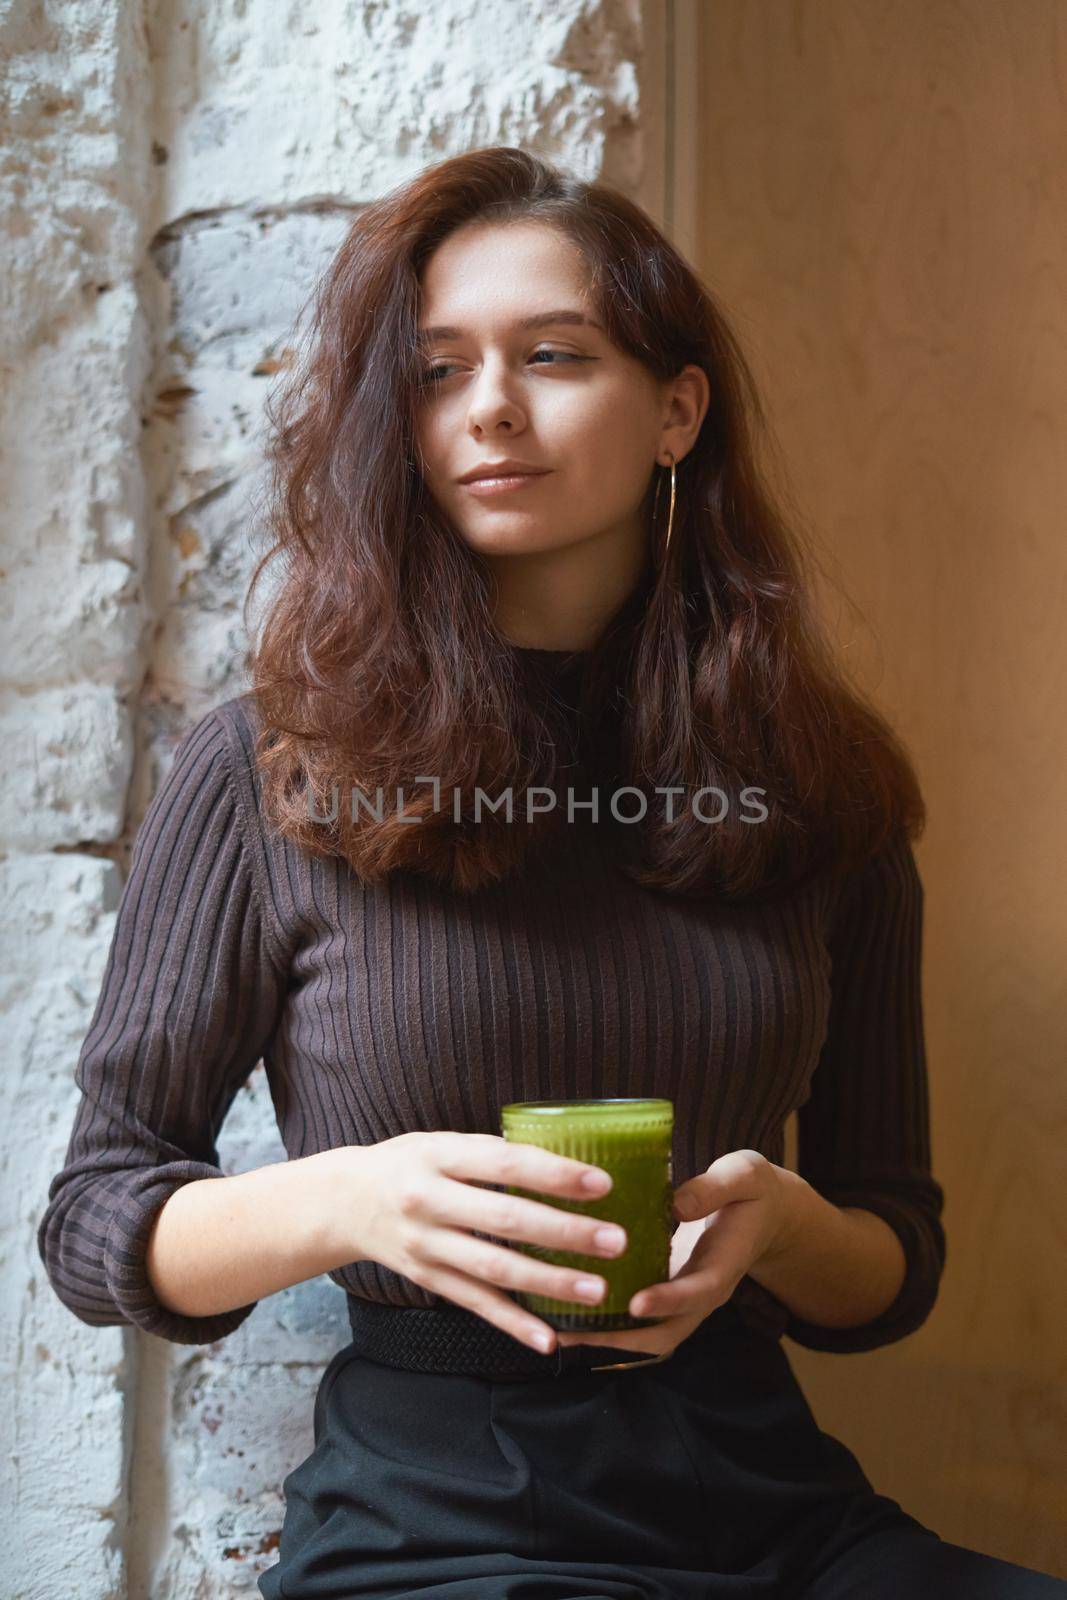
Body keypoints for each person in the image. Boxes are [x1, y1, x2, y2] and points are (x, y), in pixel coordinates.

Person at [37, 145, 1066, 1599]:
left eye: (554, 355)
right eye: (439, 370)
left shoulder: (822, 785)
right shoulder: (265, 766)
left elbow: (893, 1260)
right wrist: (355, 1200)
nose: (489, 410)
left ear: (677, 410)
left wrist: (781, 1221)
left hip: (777, 1514)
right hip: (436, 1531)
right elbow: (96, 1222)